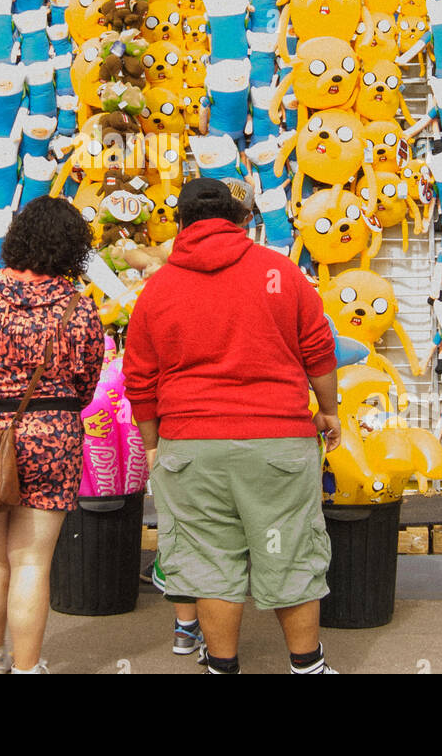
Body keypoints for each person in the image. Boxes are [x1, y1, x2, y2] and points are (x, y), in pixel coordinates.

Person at [123, 177, 342, 675]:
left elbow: (140, 377)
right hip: (277, 441)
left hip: (191, 445)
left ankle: (222, 666)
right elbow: (318, 348)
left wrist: (153, 444)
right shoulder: (279, 271)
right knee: (288, 548)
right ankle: (307, 666)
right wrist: (328, 410)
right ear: (242, 220)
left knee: (209, 562)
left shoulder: (159, 288)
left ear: (180, 223)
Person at [0, 196, 105, 674]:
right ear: (72, 248)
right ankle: (27, 667)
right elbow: (87, 383)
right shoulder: (78, 307)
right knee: (32, 562)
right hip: (51, 434)